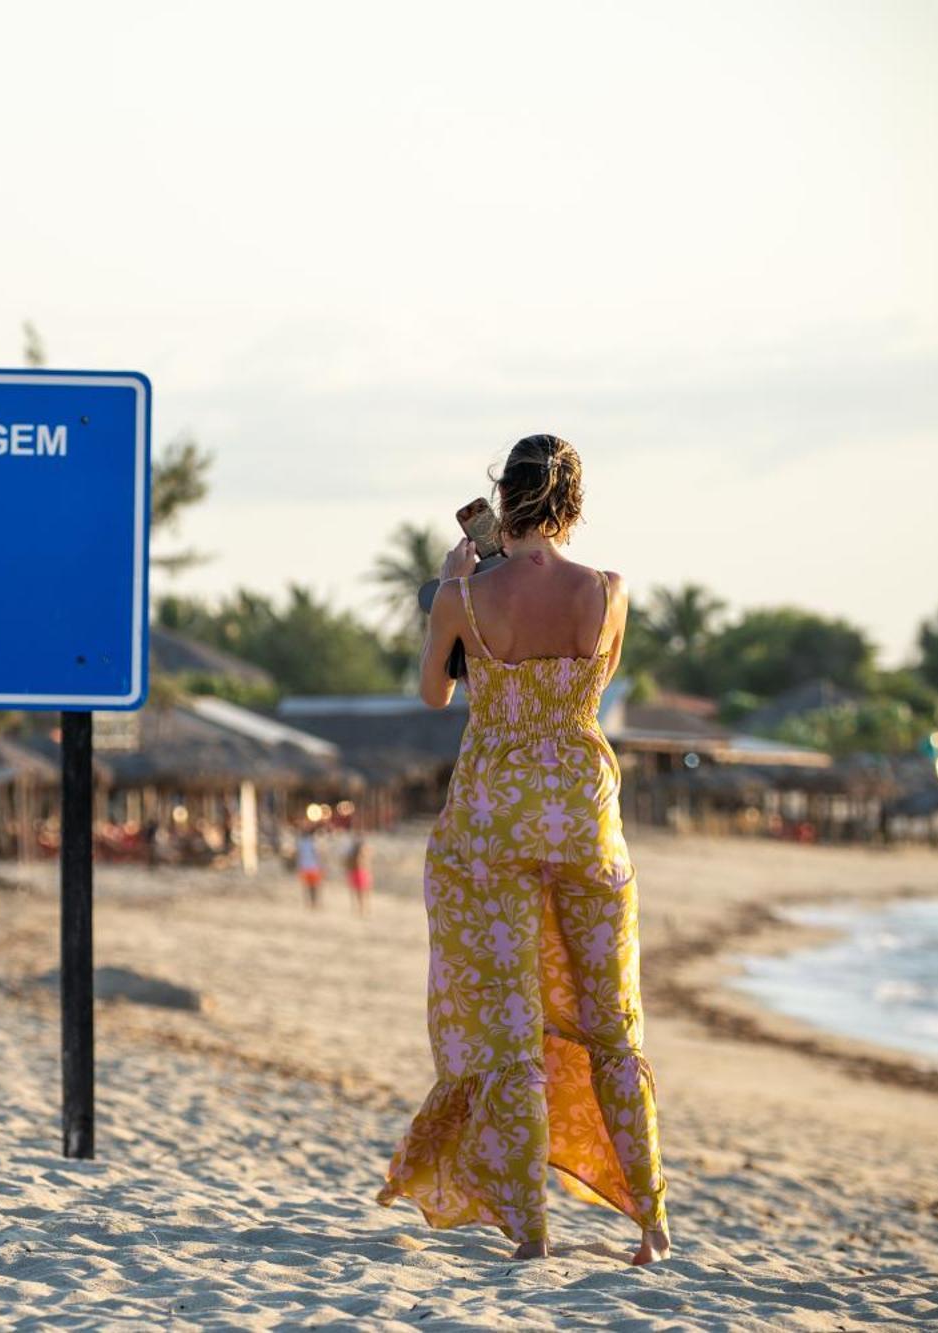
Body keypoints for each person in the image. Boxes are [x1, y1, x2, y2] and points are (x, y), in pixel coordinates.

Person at [376, 434, 671, 1267]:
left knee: (511, 1035)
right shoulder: (610, 592)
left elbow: (436, 693)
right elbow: (593, 681)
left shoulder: (462, 595)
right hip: (583, 811)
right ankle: (650, 1222)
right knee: (611, 1018)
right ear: (574, 501)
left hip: (494, 818)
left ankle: (532, 1227)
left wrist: (457, 585)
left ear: (502, 496)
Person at [294, 826, 323, 907]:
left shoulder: (300, 843)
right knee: (313, 887)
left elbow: (298, 855)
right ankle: (313, 903)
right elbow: (317, 854)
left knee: (308, 886)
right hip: (313, 867)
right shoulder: (312, 842)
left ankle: (309, 903)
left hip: (305, 867)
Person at [344, 831, 373, 914]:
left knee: (362, 892)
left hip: (361, 871)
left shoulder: (360, 849)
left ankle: (363, 908)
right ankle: (362, 908)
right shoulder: (353, 850)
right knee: (361, 892)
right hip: (359, 871)